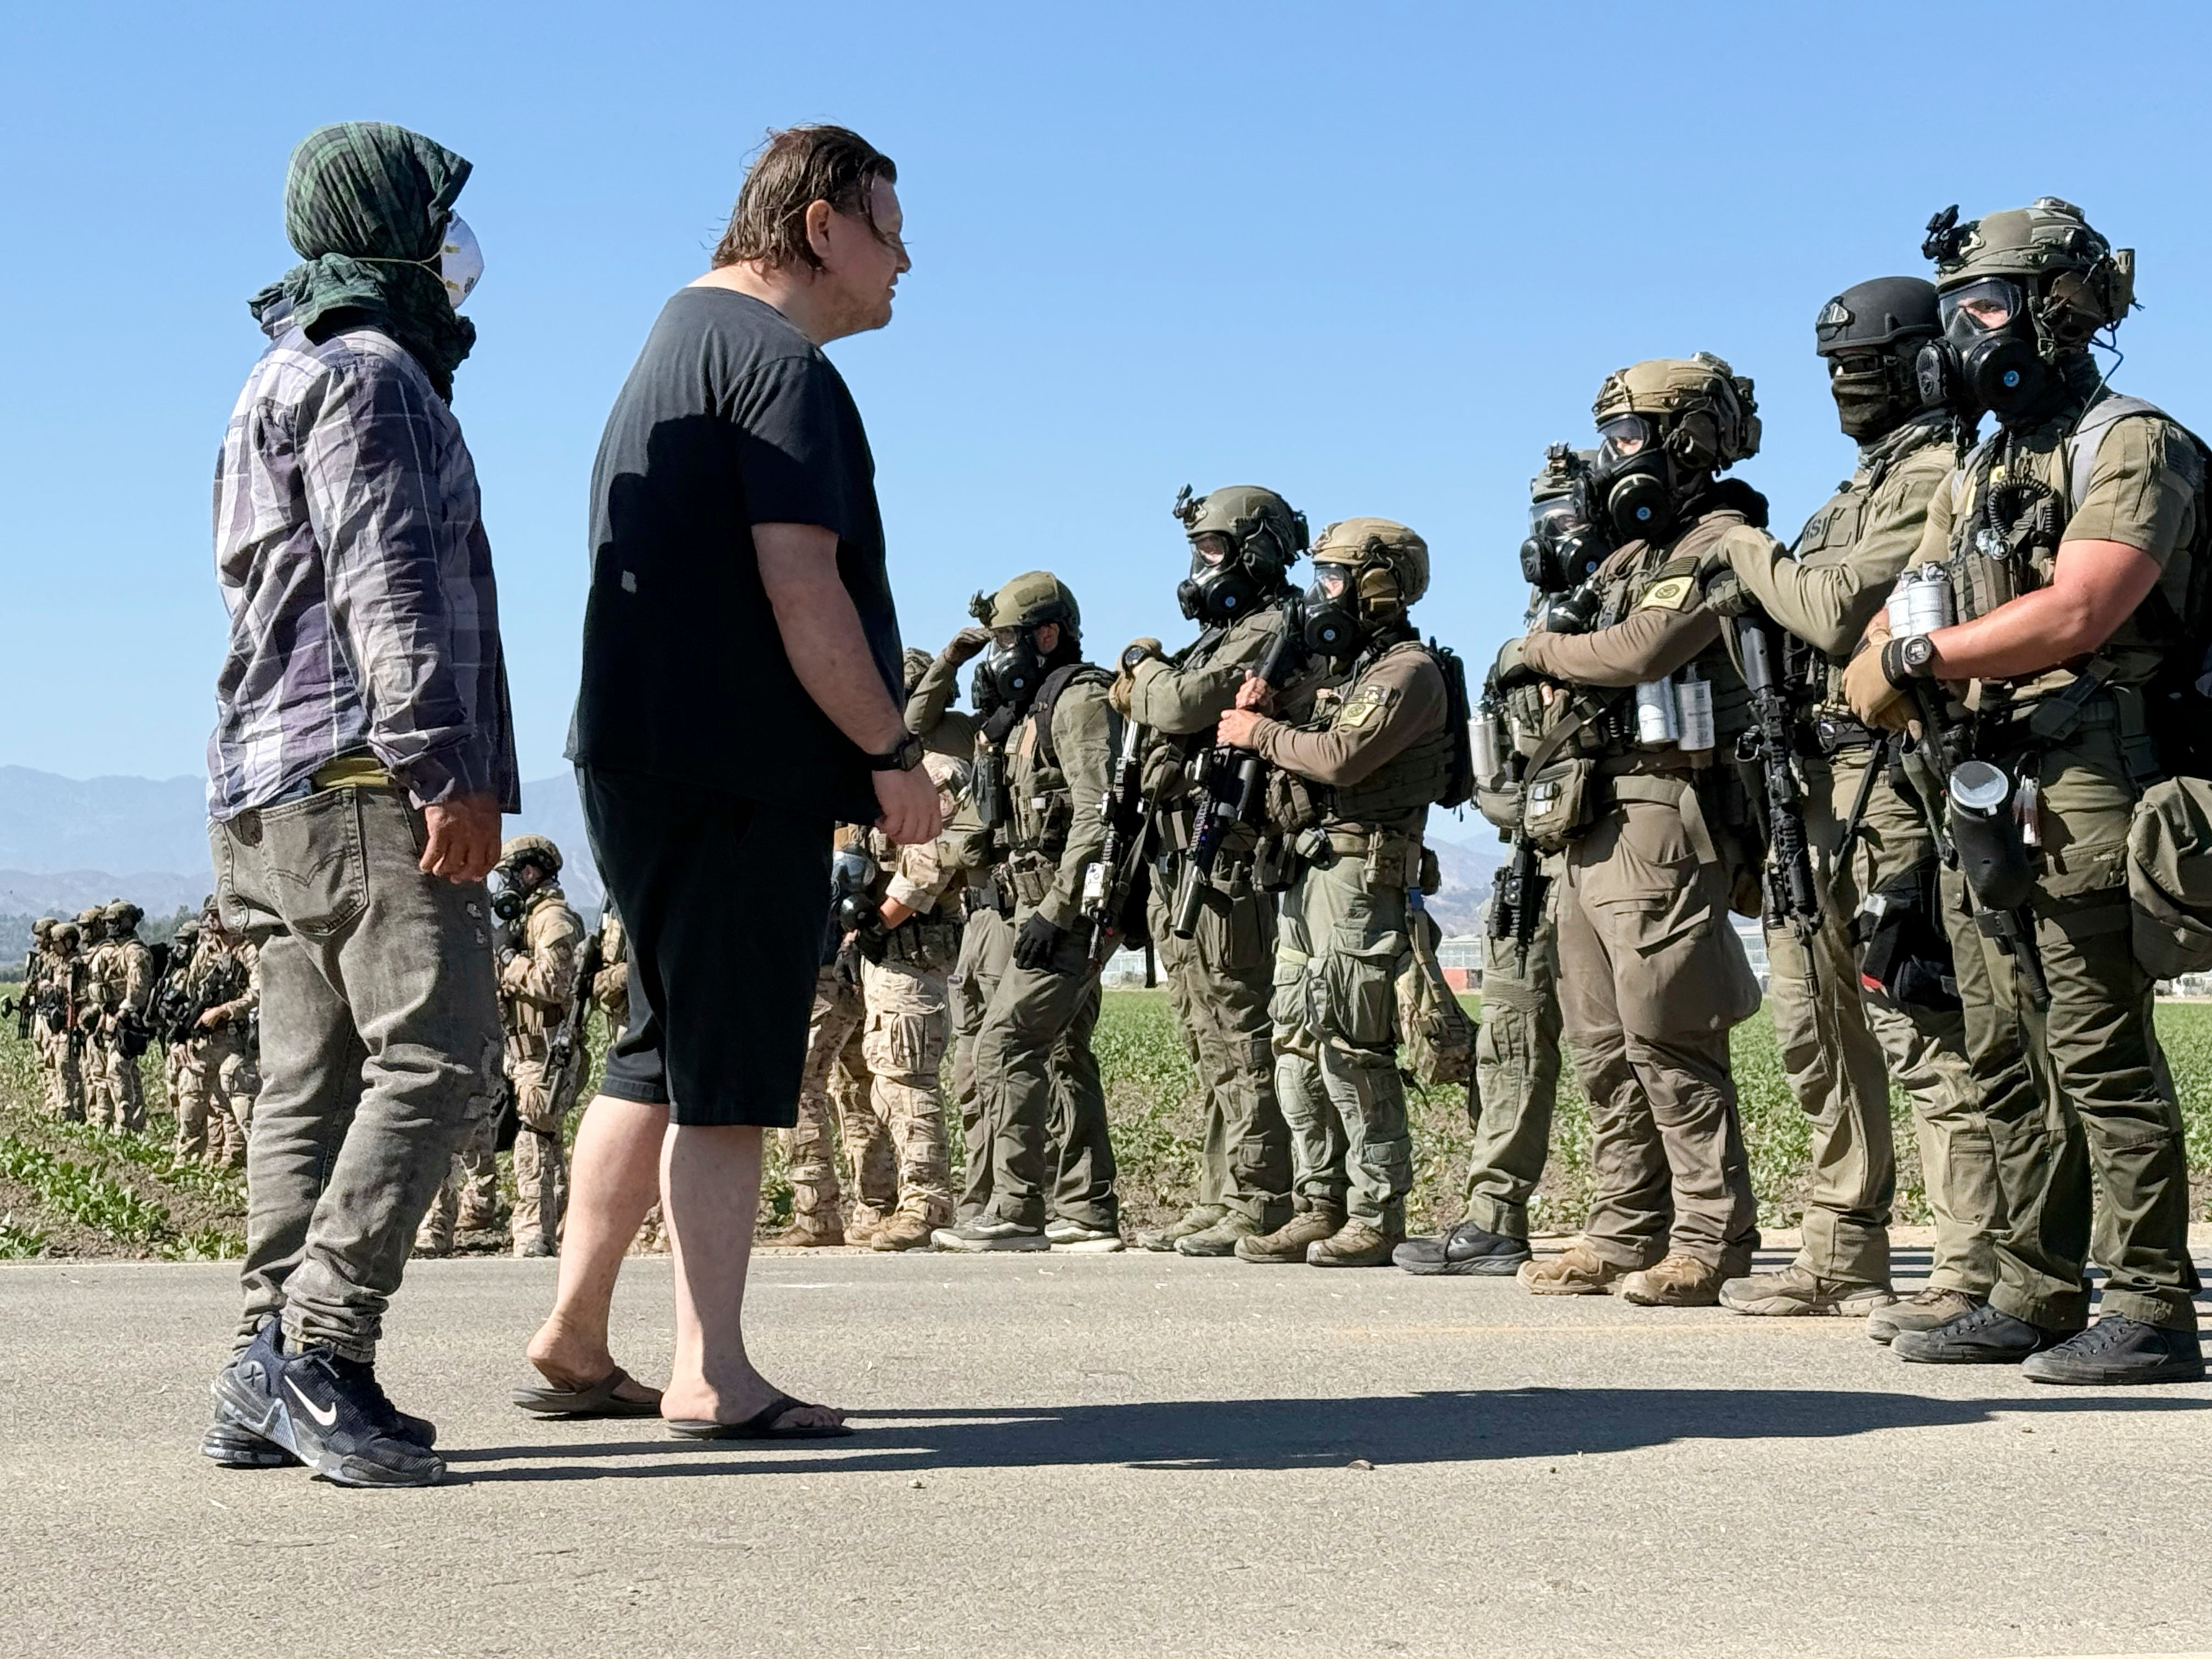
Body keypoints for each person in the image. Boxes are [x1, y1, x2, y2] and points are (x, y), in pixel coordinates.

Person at [532, 124, 932, 1437]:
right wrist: (888, 753)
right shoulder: (781, 366)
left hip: (641, 754)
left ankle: (579, 1334)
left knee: (653, 1049)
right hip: (731, 766)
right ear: (822, 228)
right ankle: (714, 1372)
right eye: (887, 228)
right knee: (730, 1075)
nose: (904, 261)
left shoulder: (677, 340)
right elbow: (800, 582)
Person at [201, 121, 515, 1487]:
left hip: (263, 787)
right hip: (362, 775)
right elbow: (387, 589)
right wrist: (445, 769)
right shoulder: (378, 379)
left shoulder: (276, 371)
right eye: (436, 228)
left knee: (308, 1083)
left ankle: (259, 1368)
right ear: (393, 232)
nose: (458, 264)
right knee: (444, 1057)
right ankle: (318, 1356)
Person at [1848, 199, 2205, 1384]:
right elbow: (1908, 605)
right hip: (1991, 775)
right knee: (2006, 1046)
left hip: (2096, 766)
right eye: (1953, 313)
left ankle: (2152, 1303)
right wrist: (1899, 660)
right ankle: (2035, 1290)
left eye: (1987, 306)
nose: (1965, 335)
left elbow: (2083, 608)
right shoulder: (1989, 458)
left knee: (2098, 1047)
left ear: (2067, 308)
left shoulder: (2133, 441)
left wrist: (1918, 662)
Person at [1701, 279, 1994, 1321]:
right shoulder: (1848, 490)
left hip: (1884, 788)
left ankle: (1965, 1265)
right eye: (1830, 369)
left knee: (1912, 1020)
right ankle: (1840, 1248)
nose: (1841, 387)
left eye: (1859, 366)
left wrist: (1737, 546)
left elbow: (1828, 613)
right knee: (1809, 1023)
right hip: (1807, 783)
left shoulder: (1936, 473)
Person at [1493, 356, 1768, 1307]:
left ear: (1684, 440)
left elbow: (1638, 650)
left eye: (1627, 436)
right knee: (1602, 1043)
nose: (1611, 459)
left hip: (1661, 812)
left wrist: (1534, 651)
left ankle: (1709, 1234)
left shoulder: (1717, 541)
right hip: (1588, 812)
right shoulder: (1626, 560)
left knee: (1668, 1033)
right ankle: (1619, 1229)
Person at [1218, 518, 1449, 1267]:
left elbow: (1344, 757)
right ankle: (1320, 1203)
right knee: (1295, 1038)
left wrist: (1258, 734)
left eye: (1336, 577)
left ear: (1378, 583)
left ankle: (1376, 1212)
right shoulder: (1344, 674)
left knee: (1355, 1044)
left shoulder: (1407, 672)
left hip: (1361, 877)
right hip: (1308, 872)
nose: (1325, 593)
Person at [1398, 453, 1587, 1277]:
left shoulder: (1627, 623)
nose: (1552, 534)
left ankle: (1678, 1224)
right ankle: (1494, 1216)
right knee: (1508, 1041)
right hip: (1530, 875)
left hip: (1612, 865)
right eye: (1543, 517)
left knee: (1645, 1051)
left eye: (1566, 514)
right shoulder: (1527, 640)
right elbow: (1495, 779)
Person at [1119, 485, 1304, 1257]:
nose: (1202, 566)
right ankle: (1221, 1192)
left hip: (1229, 863)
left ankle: (1260, 1196)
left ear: (1257, 549)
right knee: (1204, 1035)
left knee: (1240, 1030)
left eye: (1216, 549)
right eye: (1197, 550)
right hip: (1179, 854)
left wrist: (1140, 675)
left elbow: (1181, 704)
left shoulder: (1271, 631)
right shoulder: (1224, 633)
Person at [933, 572, 1122, 1252]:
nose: (998, 655)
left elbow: (1099, 813)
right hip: (1017, 908)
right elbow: (915, 728)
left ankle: (1018, 1210)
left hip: (1059, 913)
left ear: (1047, 635)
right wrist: (952, 663)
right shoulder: (1017, 717)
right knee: (1054, 1053)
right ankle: (1086, 1211)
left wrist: (1059, 910)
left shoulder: (1078, 700)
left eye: (1008, 640)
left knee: (1009, 1044)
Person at [495, 836, 587, 1256]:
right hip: (526, 1052)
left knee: (534, 1137)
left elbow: (555, 983)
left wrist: (507, 962)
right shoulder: (527, 919)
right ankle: (560, 1228)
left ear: (531, 872)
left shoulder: (552, 919)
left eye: (512, 874)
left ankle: (534, 1233)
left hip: (546, 1051)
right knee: (545, 1136)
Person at [174, 909, 261, 1169]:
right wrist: (180, 1035)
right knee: (192, 1101)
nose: (211, 920)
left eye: (217, 914)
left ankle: (236, 1158)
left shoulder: (248, 950)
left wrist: (225, 1010)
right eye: (209, 915)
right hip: (203, 1040)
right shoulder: (206, 950)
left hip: (234, 1038)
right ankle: (187, 1161)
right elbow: (191, 992)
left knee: (237, 1102)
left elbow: (259, 991)